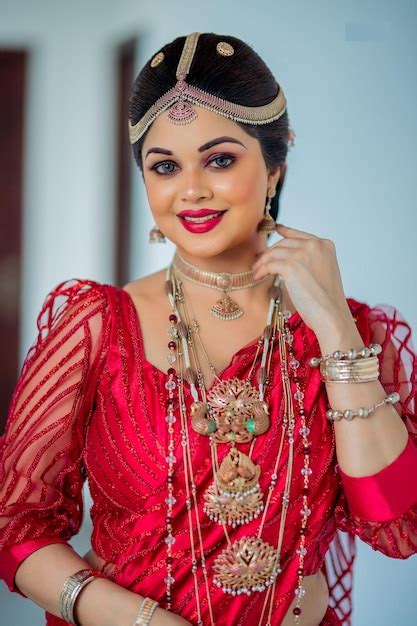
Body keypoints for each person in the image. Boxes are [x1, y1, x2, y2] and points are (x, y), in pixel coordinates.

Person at [0, 31, 416, 626]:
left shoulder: (352, 333)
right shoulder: (96, 326)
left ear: (276, 167)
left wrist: (336, 332)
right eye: (165, 165)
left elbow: (394, 519)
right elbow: (16, 527)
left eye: (220, 159)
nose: (191, 189)